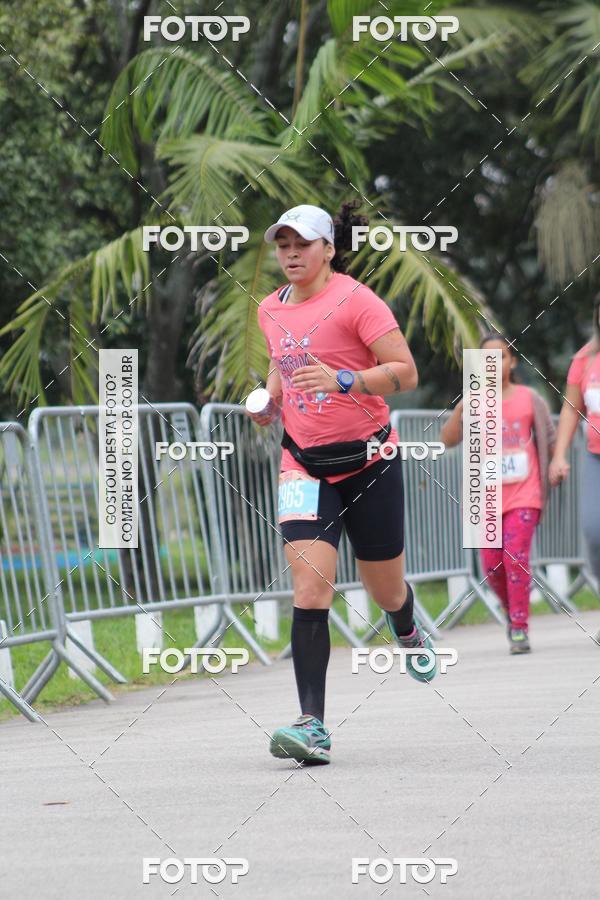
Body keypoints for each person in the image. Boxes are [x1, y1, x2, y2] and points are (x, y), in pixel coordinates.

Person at [247, 202, 436, 766]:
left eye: (302, 244)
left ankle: (404, 624)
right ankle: (312, 725)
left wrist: (344, 378)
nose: (290, 255)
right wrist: (270, 401)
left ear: (328, 249)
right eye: (282, 246)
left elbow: (405, 372)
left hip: (370, 462)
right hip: (303, 463)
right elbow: (281, 366)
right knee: (310, 590)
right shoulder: (269, 309)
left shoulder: (357, 301)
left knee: (384, 589)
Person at [441, 334, 556, 654]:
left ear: (512, 362)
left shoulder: (529, 398)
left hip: (525, 492)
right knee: (493, 567)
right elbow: (448, 439)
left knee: (515, 557)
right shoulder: (473, 402)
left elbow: (549, 436)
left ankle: (519, 627)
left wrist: (557, 463)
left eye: (500, 357)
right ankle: (511, 611)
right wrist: (461, 407)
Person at [549, 296, 600, 594]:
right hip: (595, 457)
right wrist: (559, 456)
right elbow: (571, 408)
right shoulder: (585, 359)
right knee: (595, 533)